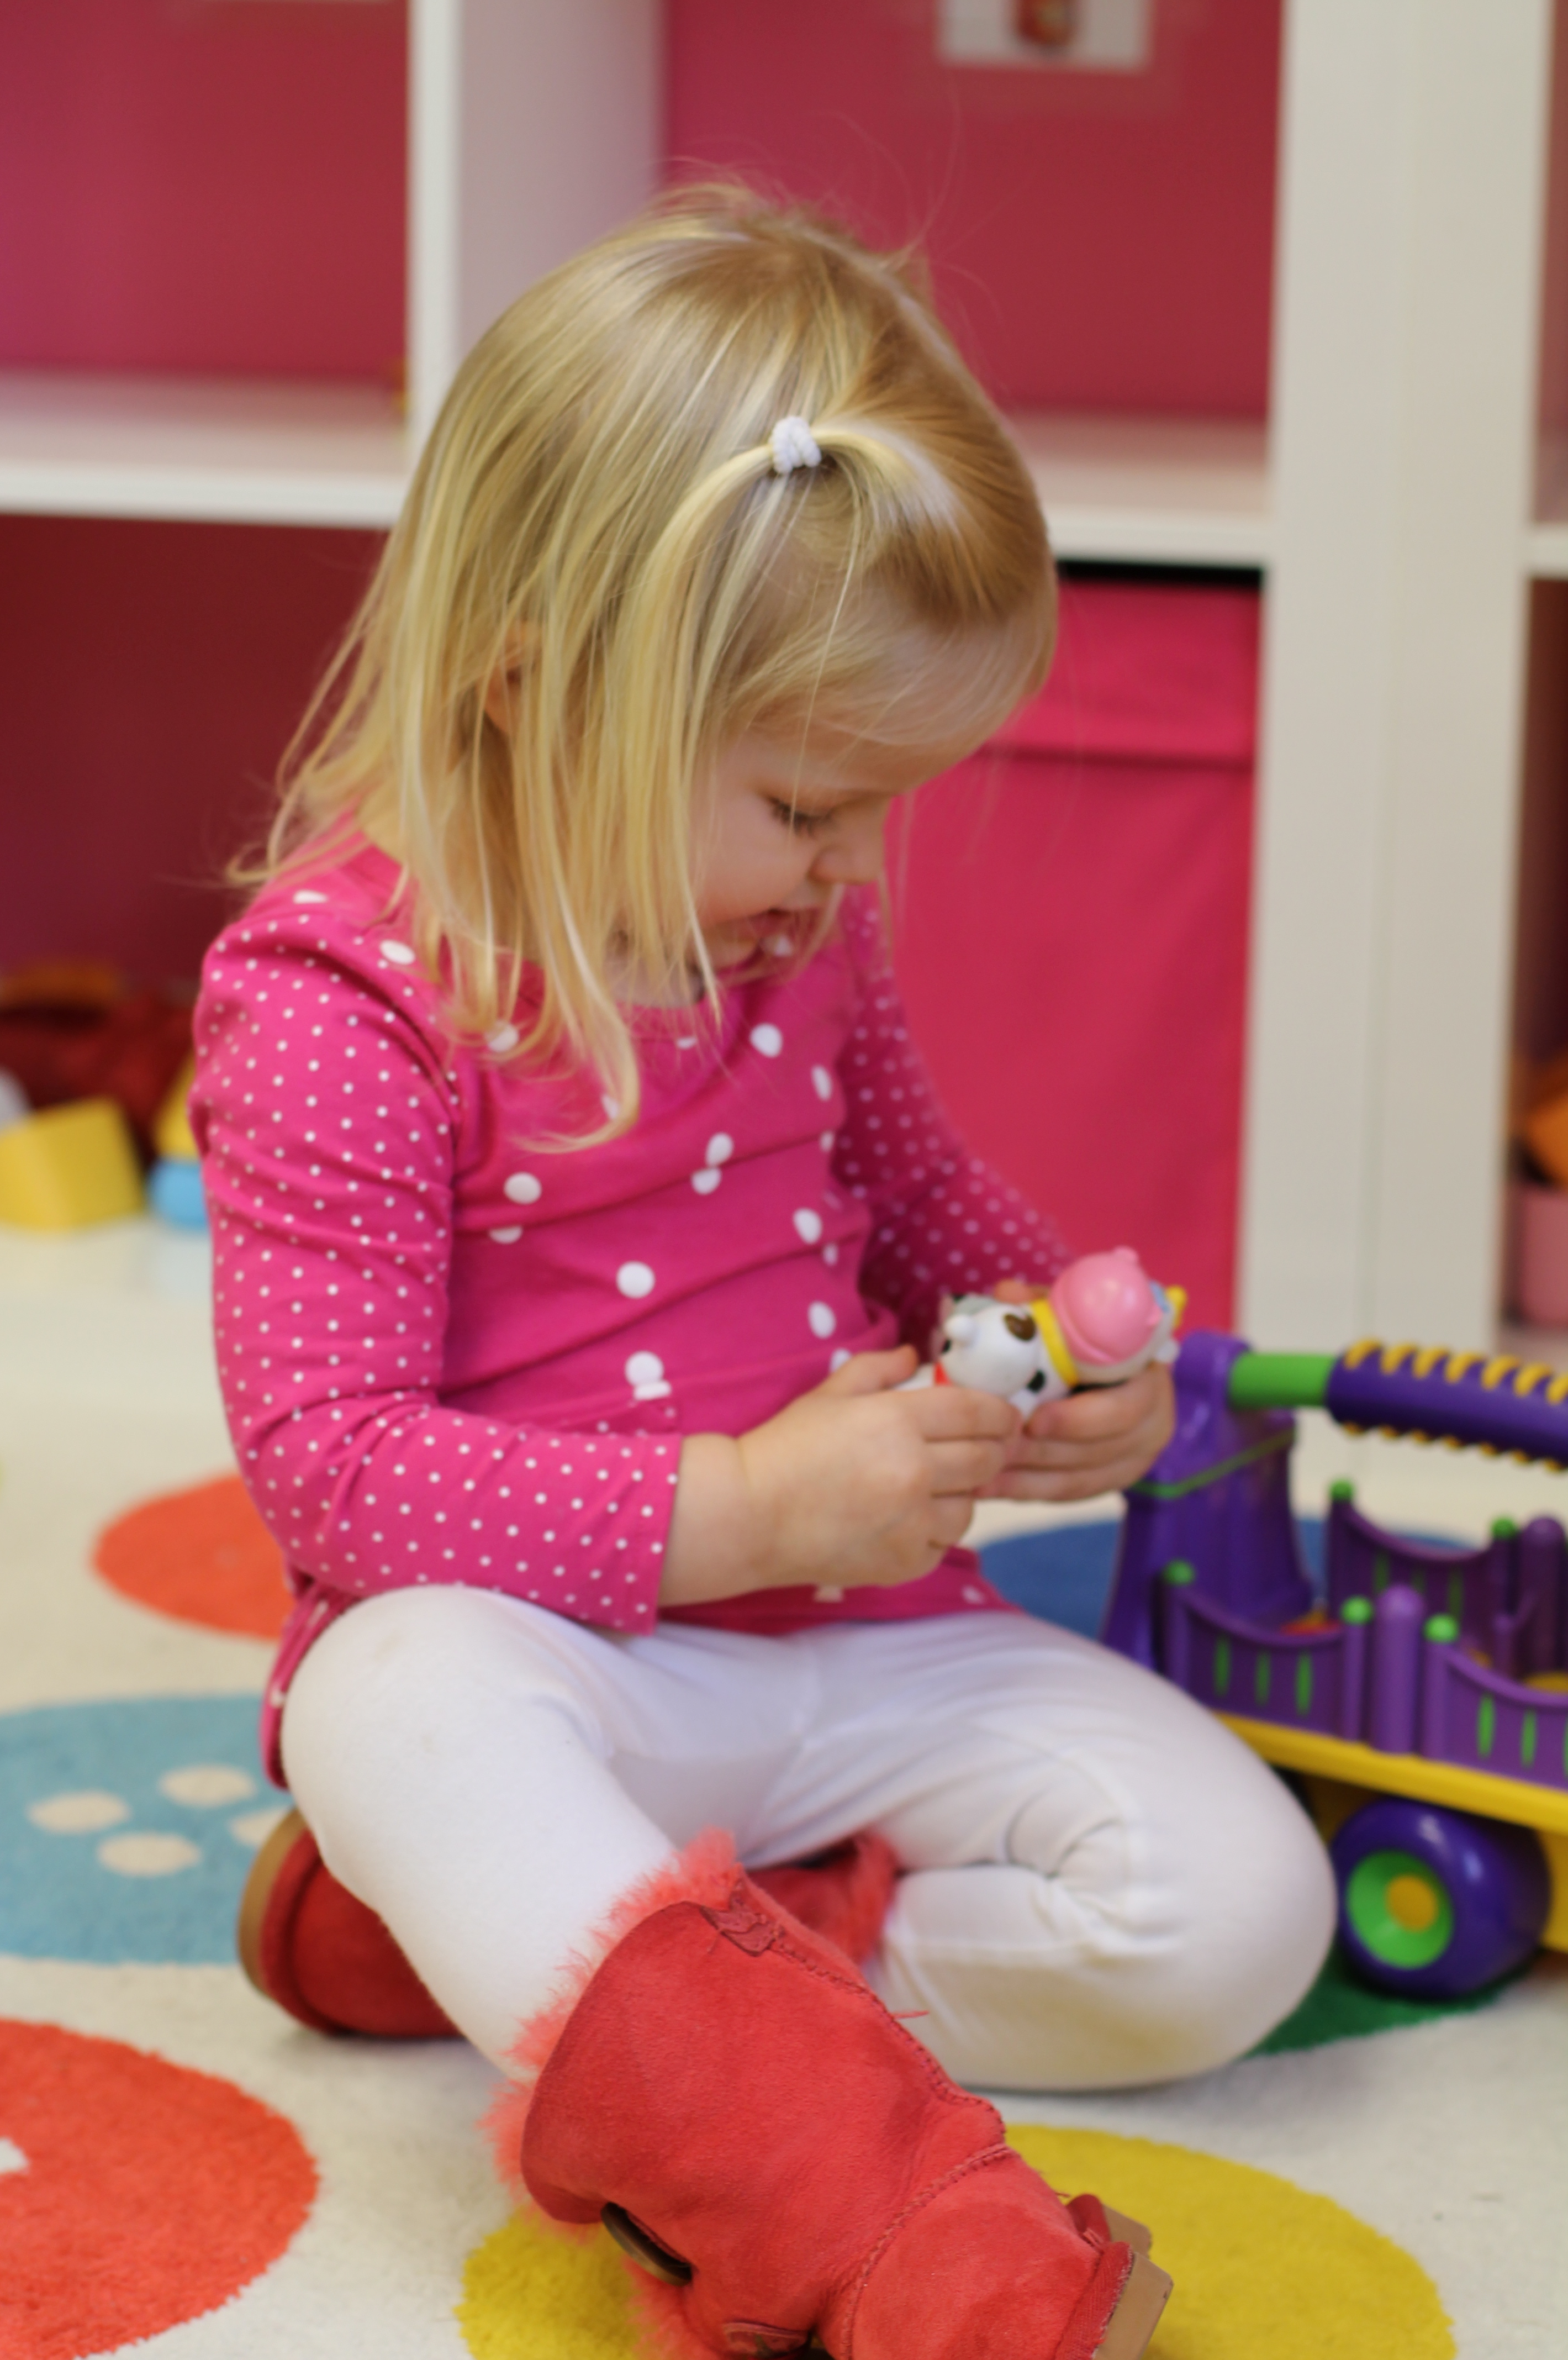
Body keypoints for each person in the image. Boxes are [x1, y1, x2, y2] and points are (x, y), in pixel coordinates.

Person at [193, 187, 1334, 2360]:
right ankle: (869, 2224)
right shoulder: (342, 998)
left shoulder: (798, 938)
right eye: (811, 803)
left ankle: (617, 1959)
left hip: (863, 1643)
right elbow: (334, 1473)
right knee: (387, 1709)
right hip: (564, 1666)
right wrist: (736, 1509)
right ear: (543, 689)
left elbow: (921, 1202)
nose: (850, 866)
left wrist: (1079, 1365)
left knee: (1237, 1916)